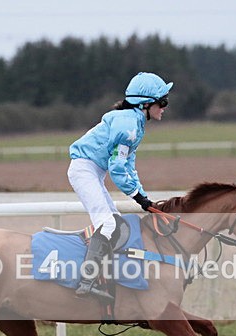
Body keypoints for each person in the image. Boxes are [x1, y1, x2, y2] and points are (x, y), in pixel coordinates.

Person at [67, 72, 172, 298]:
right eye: (162, 102)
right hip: (85, 170)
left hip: (94, 171)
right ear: (145, 104)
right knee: (107, 225)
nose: (164, 107)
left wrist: (144, 197)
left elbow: (128, 166)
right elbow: (117, 169)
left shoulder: (135, 122)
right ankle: (86, 281)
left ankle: (106, 277)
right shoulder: (128, 125)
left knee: (118, 225)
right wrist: (137, 196)